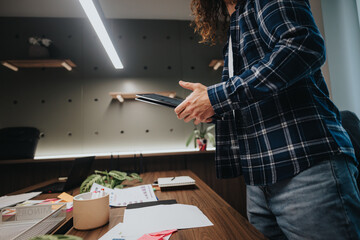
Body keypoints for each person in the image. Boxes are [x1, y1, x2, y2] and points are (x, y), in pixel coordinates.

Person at [174, 0, 360, 239]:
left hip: (305, 169)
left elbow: (302, 45)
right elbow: (250, 97)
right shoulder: (236, 27)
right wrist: (211, 106)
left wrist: (217, 96)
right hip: (259, 181)